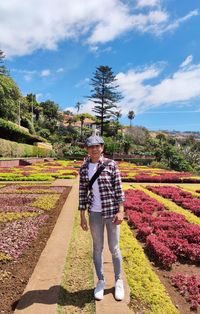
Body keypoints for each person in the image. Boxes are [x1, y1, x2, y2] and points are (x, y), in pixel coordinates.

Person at [79, 135, 125, 301]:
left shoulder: (111, 165)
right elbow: (82, 193)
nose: (94, 149)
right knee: (97, 248)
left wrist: (121, 211)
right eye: (91, 146)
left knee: (114, 248)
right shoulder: (84, 168)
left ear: (102, 148)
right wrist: (82, 216)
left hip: (112, 212)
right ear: (87, 149)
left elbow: (119, 190)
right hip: (95, 214)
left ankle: (118, 281)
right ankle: (101, 281)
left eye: (97, 146)